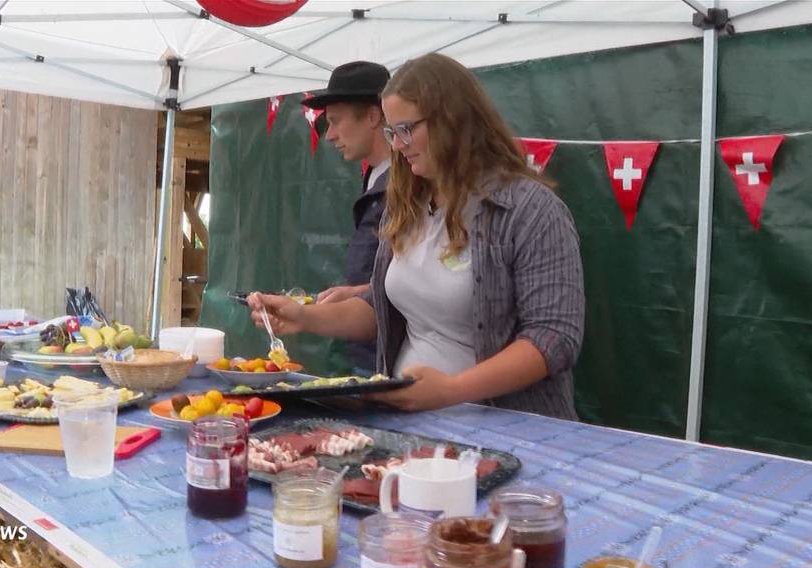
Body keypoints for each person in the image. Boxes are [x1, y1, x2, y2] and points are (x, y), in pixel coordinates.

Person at [250, 53, 585, 420]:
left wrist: (453, 390)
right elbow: (380, 310)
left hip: (507, 431)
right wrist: (304, 317)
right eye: (393, 132)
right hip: (413, 421)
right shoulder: (405, 205)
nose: (396, 144)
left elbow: (554, 337)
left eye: (406, 129)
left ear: (453, 121)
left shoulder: (531, 211)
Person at [302, 61, 392, 374]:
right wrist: (356, 293)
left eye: (336, 121)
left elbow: (417, 284)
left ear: (373, 116)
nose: (329, 135)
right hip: (368, 353)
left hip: (393, 360)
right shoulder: (375, 177)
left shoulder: (409, 185)